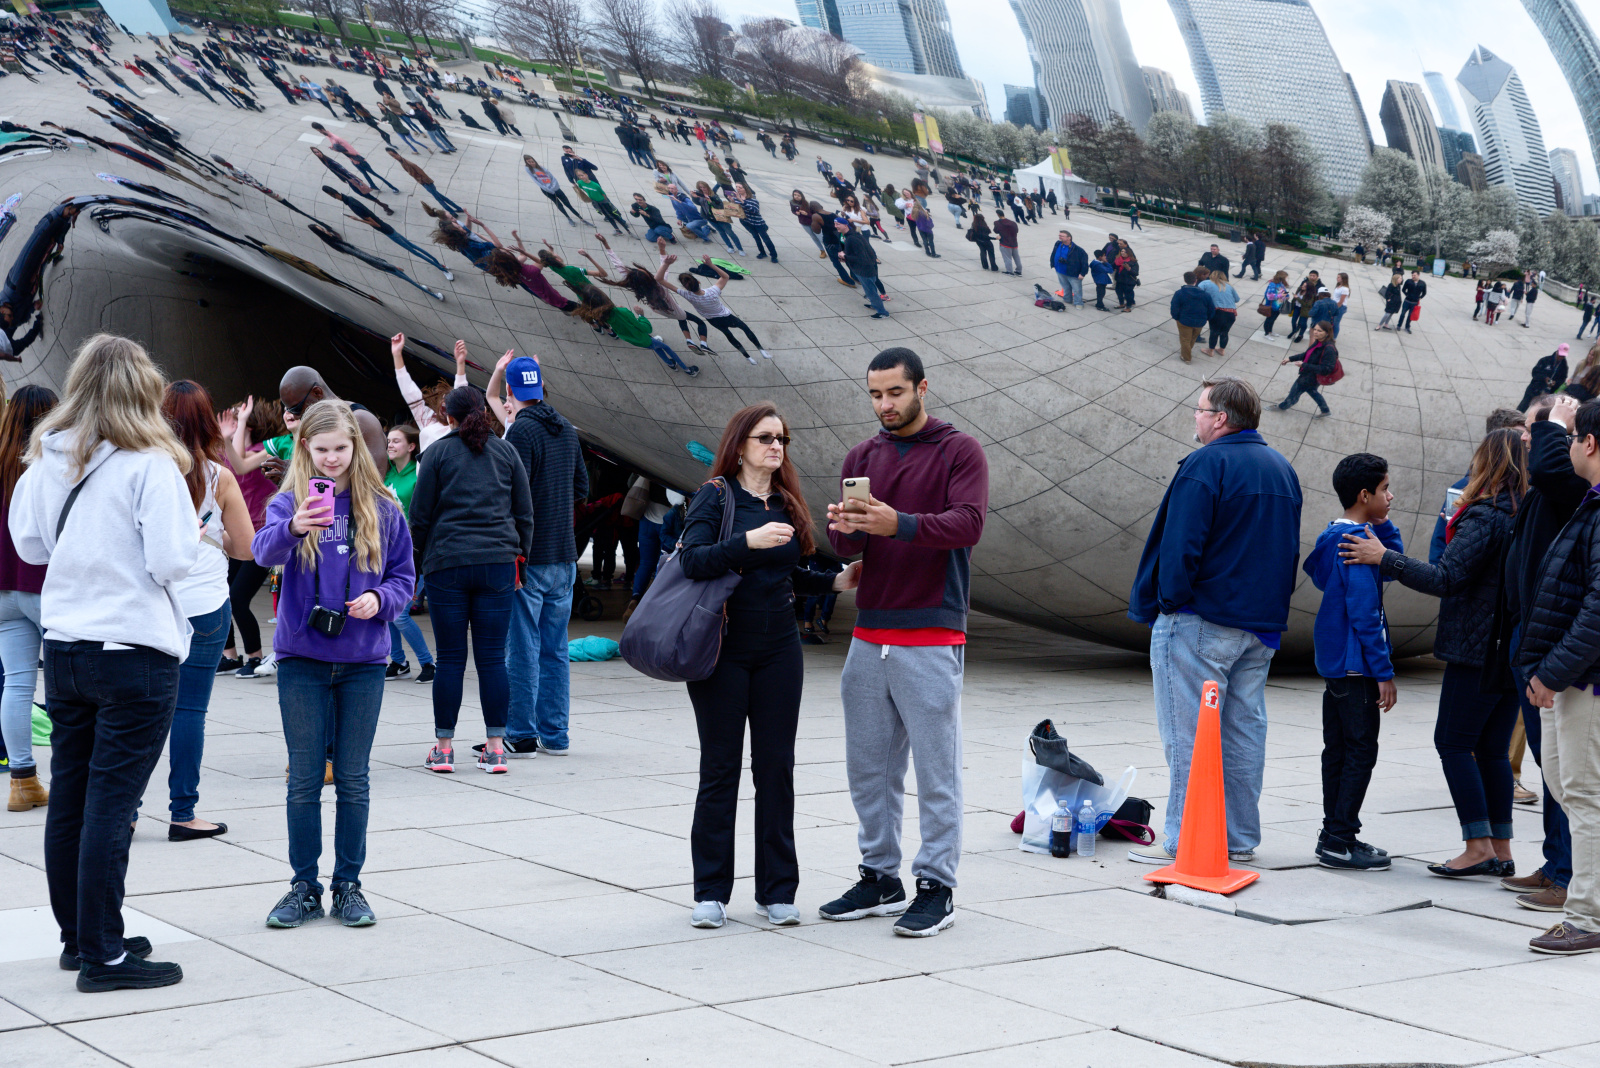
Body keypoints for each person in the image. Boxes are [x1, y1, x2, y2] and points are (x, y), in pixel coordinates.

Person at [10, 334, 199, 991]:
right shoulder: (151, 463)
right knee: (111, 806)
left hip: (65, 646)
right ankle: (104, 955)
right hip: (132, 651)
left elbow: (30, 547)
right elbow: (171, 561)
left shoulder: (45, 455)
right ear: (143, 387)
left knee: (72, 798)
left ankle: (81, 936)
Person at [819, 348, 989, 937]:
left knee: (936, 772)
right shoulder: (862, 456)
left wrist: (900, 524)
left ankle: (936, 887)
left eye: (895, 392)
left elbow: (969, 523)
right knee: (868, 768)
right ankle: (879, 877)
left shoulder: (959, 450)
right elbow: (848, 548)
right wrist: (845, 528)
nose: (884, 404)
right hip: (870, 631)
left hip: (931, 630)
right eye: (875, 394)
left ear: (922, 388)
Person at [677, 405, 861, 929]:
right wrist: (745, 543)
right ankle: (710, 892)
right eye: (765, 438)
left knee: (776, 770)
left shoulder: (785, 501)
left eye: (782, 439)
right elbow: (692, 560)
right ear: (740, 445)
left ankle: (777, 890)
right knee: (720, 769)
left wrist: (834, 582)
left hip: (780, 649)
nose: (776, 447)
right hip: (723, 649)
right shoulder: (715, 496)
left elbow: (788, 573)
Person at [1127, 377, 1302, 866]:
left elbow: (1181, 543)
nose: (1196, 416)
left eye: (1201, 409)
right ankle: (1238, 839)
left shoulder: (1207, 463)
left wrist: (1170, 602)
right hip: (1258, 626)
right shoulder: (1281, 468)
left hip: (1201, 619)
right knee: (1243, 734)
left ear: (1221, 418)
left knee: (1188, 735)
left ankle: (1184, 841)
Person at [254, 400, 415, 929]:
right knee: (303, 778)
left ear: (355, 446)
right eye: (321, 449)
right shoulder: (289, 502)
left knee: (353, 778)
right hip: (302, 658)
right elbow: (260, 552)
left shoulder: (383, 506)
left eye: (341, 448)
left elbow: (404, 577)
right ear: (305, 447)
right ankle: (304, 886)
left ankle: (349, 885)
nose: (331, 459)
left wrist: (380, 600)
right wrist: (294, 527)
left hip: (363, 660)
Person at [1341, 429, 1526, 880]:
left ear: (1487, 463)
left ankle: (1477, 847)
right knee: (1492, 751)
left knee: (1454, 743)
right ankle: (1500, 849)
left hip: (1476, 651)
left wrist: (1384, 557)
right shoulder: (1527, 513)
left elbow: (1445, 577)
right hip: (1511, 650)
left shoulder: (1486, 516)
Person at [408, 387, 533, 774]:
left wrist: (415, 565)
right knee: (493, 658)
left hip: (447, 563)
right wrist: (520, 562)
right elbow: (524, 514)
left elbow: (420, 516)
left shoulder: (436, 454)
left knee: (449, 658)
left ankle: (444, 749)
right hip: (497, 563)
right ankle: (495, 749)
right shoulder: (506, 452)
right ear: (483, 411)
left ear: (448, 416)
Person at [1517, 399, 1600, 953]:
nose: (1567, 446)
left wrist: (1552, 672)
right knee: (1567, 786)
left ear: (1589, 443)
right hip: (1571, 674)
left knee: (1584, 794)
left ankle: (1588, 916)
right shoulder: (1591, 502)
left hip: (1584, 678)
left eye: (1571, 437)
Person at [156, 382, 256, 841]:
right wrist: (214, 534)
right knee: (189, 711)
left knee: (142, 713)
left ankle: (127, 811)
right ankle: (183, 812)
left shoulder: (146, 470)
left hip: (154, 605)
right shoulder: (219, 477)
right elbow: (247, 548)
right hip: (206, 606)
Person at [1501, 394, 1581, 914]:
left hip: (1551, 646)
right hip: (1528, 637)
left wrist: (1556, 422)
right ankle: (1555, 865)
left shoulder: (1568, 480)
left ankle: (1569, 877)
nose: (1525, 437)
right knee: (1547, 764)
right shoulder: (1545, 486)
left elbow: (1552, 469)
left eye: (1534, 430)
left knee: (1565, 770)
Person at [1303, 453, 1401, 870]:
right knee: (1360, 753)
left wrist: (1381, 524)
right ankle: (1341, 839)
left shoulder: (1337, 535)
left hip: (1336, 666)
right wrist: (1384, 673)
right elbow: (1366, 615)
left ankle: (1333, 835)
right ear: (1364, 494)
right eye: (1384, 489)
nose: (1390, 496)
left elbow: (1390, 564)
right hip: (1358, 666)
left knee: (1338, 751)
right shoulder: (1358, 545)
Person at [496, 355, 586, 758]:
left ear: (510, 391)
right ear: (541, 386)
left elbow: (510, 493)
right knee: (555, 649)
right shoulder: (566, 428)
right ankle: (556, 735)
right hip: (565, 556)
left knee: (522, 648)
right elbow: (581, 487)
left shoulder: (520, 431)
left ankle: (520, 734)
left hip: (530, 557)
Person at [0, 386, 56, 812]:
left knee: (17, 684)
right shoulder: (51, 467)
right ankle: (71, 778)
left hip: (3, 591)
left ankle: (22, 780)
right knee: (64, 687)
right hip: (47, 588)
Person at [383, 424, 433, 682]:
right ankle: (398, 661)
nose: (389, 445)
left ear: (412, 446)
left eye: (396, 441)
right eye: (388, 441)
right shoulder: (386, 474)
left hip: (415, 555)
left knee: (400, 615)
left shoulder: (419, 474)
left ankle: (428, 663)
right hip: (387, 553)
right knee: (388, 611)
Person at [662, 256, 771, 361]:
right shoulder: (713, 291)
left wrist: (666, 264)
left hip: (713, 321)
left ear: (685, 288)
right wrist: (711, 264)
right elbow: (725, 276)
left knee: (729, 335)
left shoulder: (687, 295)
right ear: (699, 282)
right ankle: (761, 350)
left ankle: (748, 357)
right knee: (745, 329)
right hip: (727, 317)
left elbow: (659, 279)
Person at [1277, 321, 1339, 415]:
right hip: (1310, 375)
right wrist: (1290, 359)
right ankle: (1325, 410)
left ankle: (1282, 407)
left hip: (1310, 377)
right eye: (1315, 329)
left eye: (1319, 331)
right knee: (1312, 391)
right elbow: (1307, 354)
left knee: (1293, 395)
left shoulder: (1329, 349)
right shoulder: (1319, 341)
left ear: (1327, 333)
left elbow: (1326, 369)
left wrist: (1304, 365)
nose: (1315, 332)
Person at [839, 217, 888, 318]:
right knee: (870, 291)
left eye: (838, 224)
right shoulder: (853, 236)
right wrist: (846, 257)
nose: (835, 226)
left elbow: (861, 258)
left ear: (845, 225)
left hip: (864, 271)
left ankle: (883, 313)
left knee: (871, 292)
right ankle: (875, 305)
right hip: (864, 269)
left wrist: (845, 257)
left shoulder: (852, 238)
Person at [524, 155, 587, 227]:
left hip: (556, 188)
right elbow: (536, 181)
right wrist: (547, 189)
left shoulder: (541, 168)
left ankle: (581, 218)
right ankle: (568, 218)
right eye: (529, 162)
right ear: (526, 163)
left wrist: (554, 186)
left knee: (567, 204)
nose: (531, 163)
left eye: (532, 161)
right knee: (559, 204)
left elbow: (552, 177)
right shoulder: (528, 169)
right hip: (547, 190)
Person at [1169, 271, 1215, 363]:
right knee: (1193, 338)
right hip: (1200, 322)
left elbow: (1174, 307)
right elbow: (1211, 309)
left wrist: (1176, 317)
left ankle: (1186, 357)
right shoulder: (1205, 295)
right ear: (1196, 280)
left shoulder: (1179, 293)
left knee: (1185, 339)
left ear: (1185, 280)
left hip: (1184, 321)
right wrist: (1207, 318)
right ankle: (1187, 352)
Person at [1199, 269, 1239, 357]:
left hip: (1218, 312)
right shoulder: (1229, 285)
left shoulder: (1206, 283)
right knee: (1225, 332)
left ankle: (1210, 351)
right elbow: (1237, 299)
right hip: (1231, 313)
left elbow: (1198, 293)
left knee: (1214, 332)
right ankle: (1221, 350)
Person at [1521, 345, 1571, 412]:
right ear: (1557, 351)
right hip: (1535, 388)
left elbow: (1562, 379)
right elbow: (1535, 373)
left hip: (1548, 393)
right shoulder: (1545, 360)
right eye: (1560, 355)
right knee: (1523, 406)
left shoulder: (1564, 366)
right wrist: (1544, 378)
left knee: (1540, 412)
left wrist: (1555, 383)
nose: (1561, 357)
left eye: (1563, 356)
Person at [1049, 230, 1087, 307]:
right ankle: (1067, 299)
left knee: (1077, 290)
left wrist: (1082, 273)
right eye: (1059, 235)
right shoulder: (1058, 244)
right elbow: (1053, 253)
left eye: (1062, 236)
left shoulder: (1078, 250)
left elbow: (1084, 263)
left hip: (1073, 273)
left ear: (1069, 238)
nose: (1060, 237)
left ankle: (1078, 303)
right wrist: (1053, 263)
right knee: (1065, 287)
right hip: (1060, 271)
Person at [1262, 270, 1289, 336]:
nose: (1286, 279)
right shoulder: (1272, 284)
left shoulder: (1281, 284)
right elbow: (1269, 296)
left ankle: (1270, 331)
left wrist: (1287, 295)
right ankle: (1266, 334)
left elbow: (1284, 291)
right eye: (1285, 277)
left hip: (1279, 306)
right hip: (1272, 306)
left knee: (1273, 319)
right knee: (1269, 320)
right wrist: (1281, 295)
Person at [1113, 243, 1139, 311]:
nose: (1123, 253)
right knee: (1119, 292)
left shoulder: (1133, 262)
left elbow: (1136, 273)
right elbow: (1114, 266)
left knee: (1128, 295)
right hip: (1119, 280)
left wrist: (1128, 268)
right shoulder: (1118, 260)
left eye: (1125, 252)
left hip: (1128, 281)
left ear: (1129, 253)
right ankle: (1121, 304)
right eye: (1122, 251)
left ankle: (1128, 307)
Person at [1400, 269, 1427, 334]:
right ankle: (1399, 325)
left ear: (1418, 275)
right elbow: (1403, 289)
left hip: (1415, 303)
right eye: (1412, 275)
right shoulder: (1408, 281)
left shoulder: (1422, 283)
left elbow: (1424, 293)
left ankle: (1407, 327)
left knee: (1410, 316)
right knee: (1403, 314)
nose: (1413, 276)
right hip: (1407, 301)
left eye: (1414, 275)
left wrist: (1420, 297)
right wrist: (1407, 295)